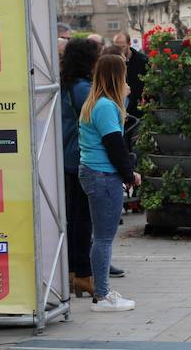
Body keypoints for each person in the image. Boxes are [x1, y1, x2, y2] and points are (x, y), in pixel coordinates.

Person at [78, 54, 141, 311]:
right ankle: (102, 295)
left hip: (96, 172)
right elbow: (115, 145)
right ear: (118, 75)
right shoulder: (105, 107)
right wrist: (129, 175)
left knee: (100, 236)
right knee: (104, 238)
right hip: (103, 175)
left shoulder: (98, 103)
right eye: (124, 73)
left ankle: (102, 292)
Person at [60, 38, 99, 297]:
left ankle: (74, 271)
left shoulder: (65, 85)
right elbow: (100, 117)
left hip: (65, 156)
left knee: (73, 217)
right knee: (84, 219)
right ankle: (83, 273)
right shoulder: (84, 89)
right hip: (82, 156)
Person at [112, 31, 149, 134]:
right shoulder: (111, 62)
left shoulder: (142, 61)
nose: (119, 50)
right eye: (116, 47)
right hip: (118, 111)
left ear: (129, 44)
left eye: (122, 47)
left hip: (138, 112)